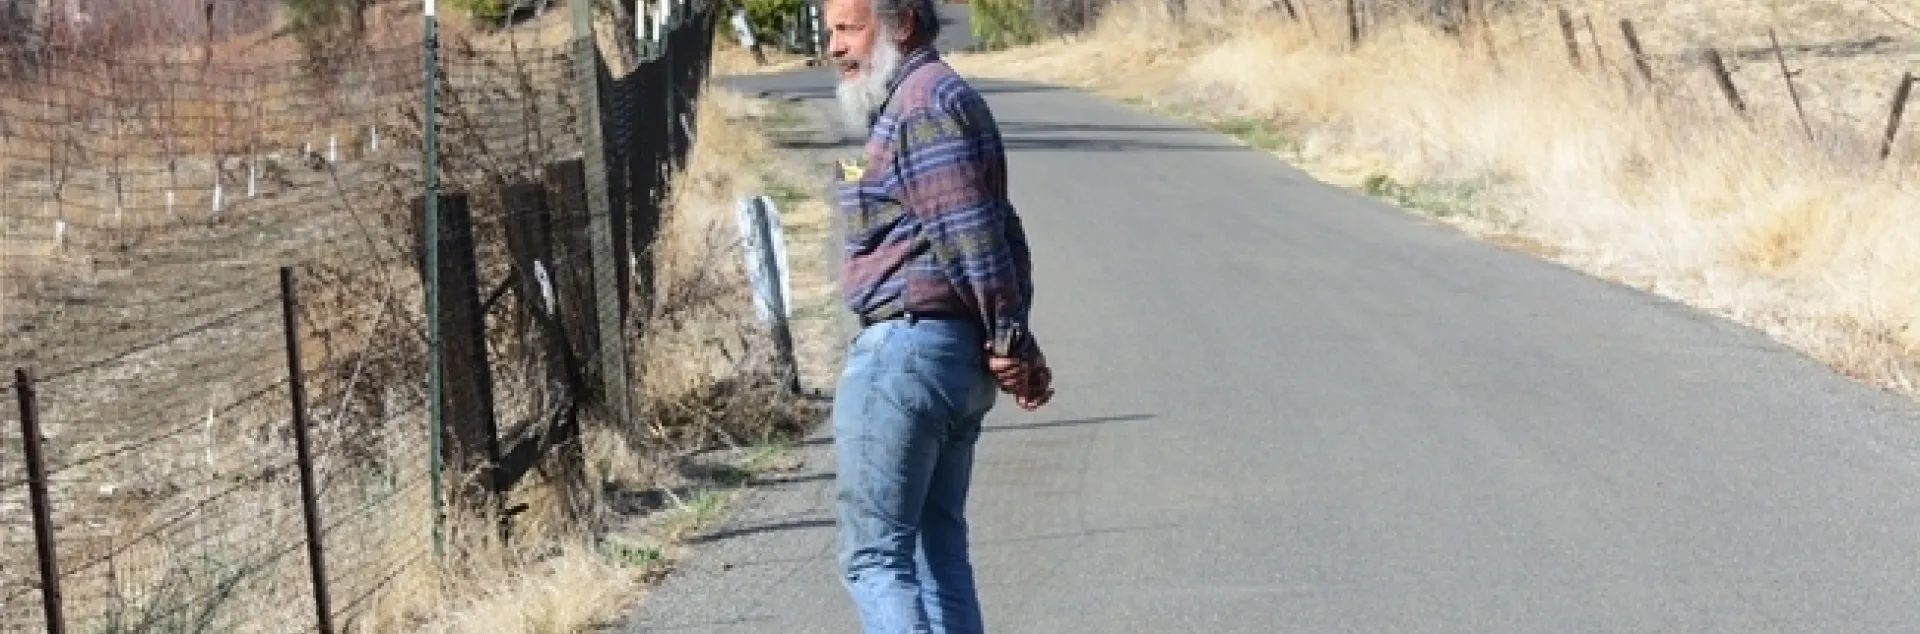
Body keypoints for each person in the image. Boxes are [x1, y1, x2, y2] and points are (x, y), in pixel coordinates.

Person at [823, 0, 1053, 630]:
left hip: (907, 354)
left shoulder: (921, 104)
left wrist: (1009, 338)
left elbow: (972, 232)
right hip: (946, 359)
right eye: (830, 31)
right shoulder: (928, 99)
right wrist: (1012, 339)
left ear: (902, 25)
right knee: (937, 550)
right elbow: (1004, 232)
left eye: (848, 27)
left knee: (874, 558)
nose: (834, 47)